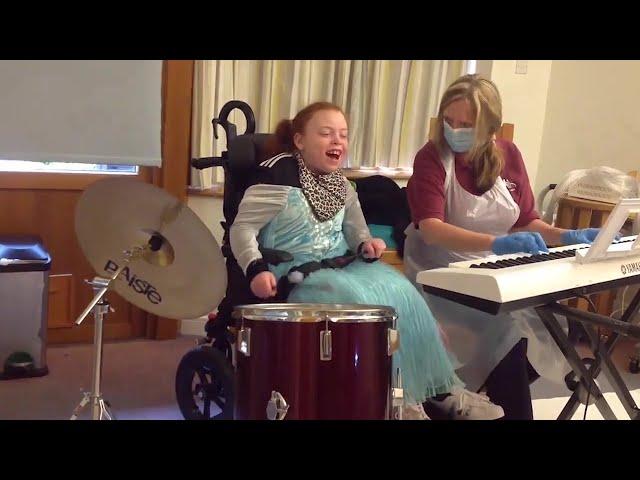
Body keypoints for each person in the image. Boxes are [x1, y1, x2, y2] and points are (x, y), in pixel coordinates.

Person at [229, 101, 505, 420]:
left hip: (341, 266)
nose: (338, 142)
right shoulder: (276, 176)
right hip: (292, 271)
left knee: (405, 293)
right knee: (364, 305)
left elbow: (356, 232)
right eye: (326, 134)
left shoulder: (343, 186)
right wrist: (255, 268)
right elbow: (242, 229)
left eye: (343, 135)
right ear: (300, 140)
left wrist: (366, 243)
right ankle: (399, 404)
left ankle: (440, 390)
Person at [404, 74, 603, 420]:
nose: (455, 130)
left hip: (492, 267)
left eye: (467, 124)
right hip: (440, 271)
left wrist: (565, 235)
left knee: (553, 327)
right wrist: (496, 243)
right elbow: (432, 230)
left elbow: (526, 220)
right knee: (507, 333)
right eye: (449, 121)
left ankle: (468, 397)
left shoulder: (508, 155)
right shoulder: (432, 157)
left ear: (491, 127)